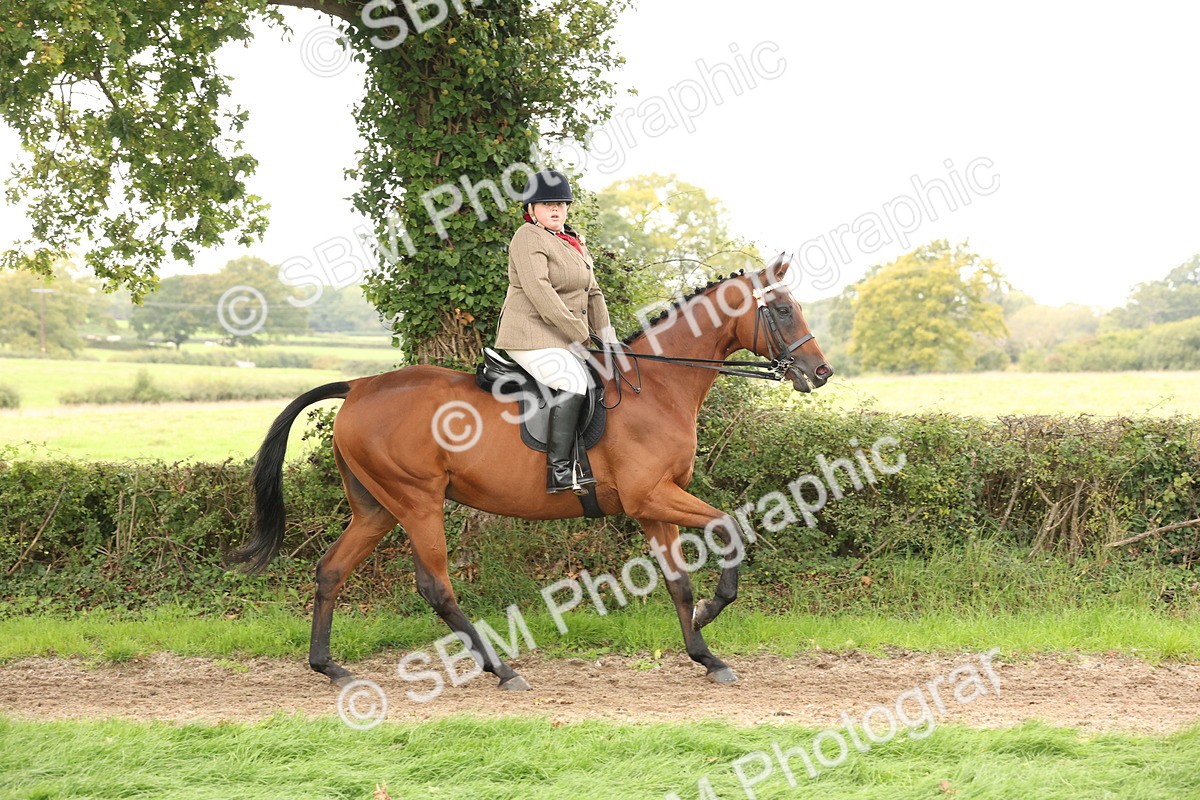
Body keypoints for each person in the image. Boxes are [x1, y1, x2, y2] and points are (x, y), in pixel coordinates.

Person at [495, 169, 615, 494]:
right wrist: (579, 332)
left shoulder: (573, 242)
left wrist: (609, 342)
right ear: (532, 210)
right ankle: (559, 471)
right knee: (573, 382)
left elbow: (594, 294)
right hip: (529, 335)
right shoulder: (527, 237)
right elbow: (540, 291)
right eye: (547, 204)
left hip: (562, 337)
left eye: (561, 203)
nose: (555, 209)